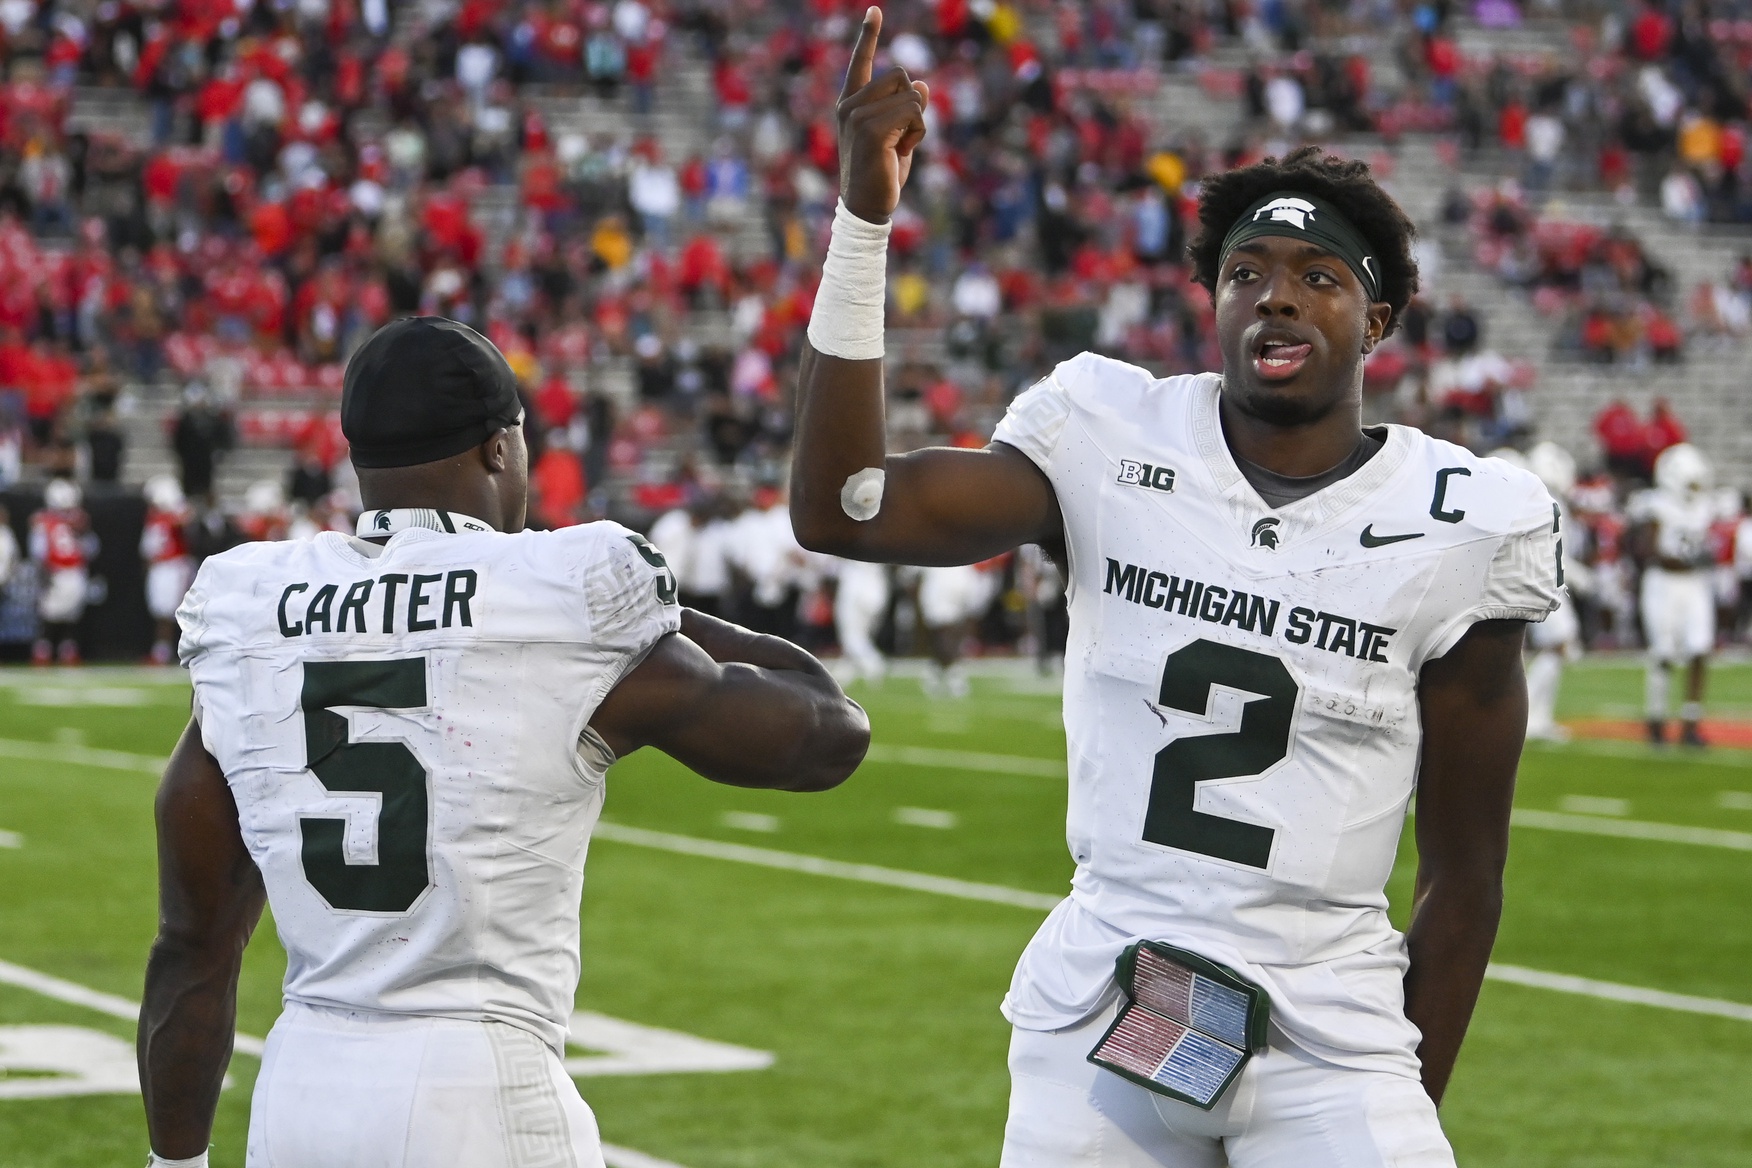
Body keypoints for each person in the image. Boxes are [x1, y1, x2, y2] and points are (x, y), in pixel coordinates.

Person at [789, 15, 1560, 1163]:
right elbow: (845, 503)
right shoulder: (1111, 431)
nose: (1277, 298)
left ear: (1379, 320)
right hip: (1105, 997)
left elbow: (1465, 877)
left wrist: (1400, 1093)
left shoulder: (1463, 521)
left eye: (1319, 278)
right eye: (1247, 273)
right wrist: (865, 218)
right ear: (1213, 305)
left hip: (1331, 1021)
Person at [137, 317, 870, 1168]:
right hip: (479, 1087)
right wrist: (651, 618)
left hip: (299, 1086)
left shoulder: (253, 600)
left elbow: (191, 945)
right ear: (499, 448)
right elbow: (826, 733)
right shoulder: (558, 596)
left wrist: (176, 1161)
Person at [1628, 442, 1717, 746]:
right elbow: (1649, 551)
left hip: (1694, 584)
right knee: (1663, 652)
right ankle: (1656, 719)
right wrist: (1686, 560)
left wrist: (1701, 559)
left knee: (1700, 648)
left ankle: (1691, 721)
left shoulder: (1705, 505)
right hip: (1662, 583)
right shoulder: (1657, 504)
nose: (1695, 487)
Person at [29, 478, 91, 665]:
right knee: (55, 614)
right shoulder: (73, 522)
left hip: (63, 570)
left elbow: (37, 552)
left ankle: (56, 650)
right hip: (64, 571)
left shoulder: (46, 522)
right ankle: (52, 650)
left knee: (61, 613)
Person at [140, 475, 195, 665]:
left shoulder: (174, 516)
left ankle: (170, 651)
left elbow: (186, 519)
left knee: (174, 612)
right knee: (160, 612)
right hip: (160, 566)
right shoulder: (155, 517)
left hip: (173, 566)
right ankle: (161, 651)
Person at [834, 556, 890, 683]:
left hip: (858, 588)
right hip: (876, 589)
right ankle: (847, 668)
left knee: (852, 635)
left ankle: (874, 664)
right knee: (861, 634)